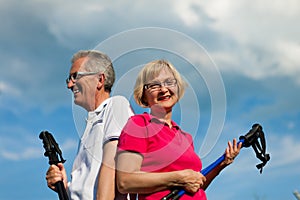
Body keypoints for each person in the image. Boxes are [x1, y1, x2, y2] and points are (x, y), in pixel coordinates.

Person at [116, 60, 242, 200]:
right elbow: (125, 181)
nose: (163, 89)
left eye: (169, 82)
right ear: (143, 94)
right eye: (154, 85)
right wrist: (179, 177)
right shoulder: (139, 124)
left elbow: (192, 187)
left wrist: (221, 165)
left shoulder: (185, 137)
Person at [45, 50, 134, 200]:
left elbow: (111, 167)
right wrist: (65, 186)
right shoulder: (89, 127)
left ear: (100, 80)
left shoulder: (115, 105)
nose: (69, 84)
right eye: (69, 78)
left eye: (75, 76)